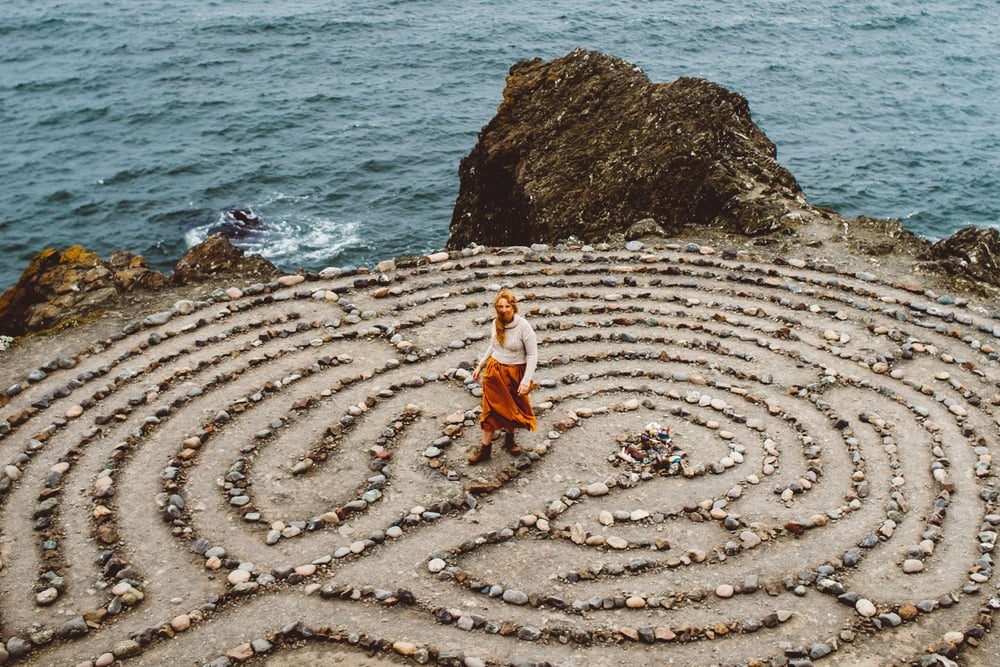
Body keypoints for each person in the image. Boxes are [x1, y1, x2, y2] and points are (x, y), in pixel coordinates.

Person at [469, 289, 538, 464]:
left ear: (514, 306)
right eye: (500, 306)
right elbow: (493, 346)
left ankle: (509, 439)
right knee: (489, 410)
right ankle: (485, 449)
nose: (504, 309)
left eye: (507, 306)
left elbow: (532, 355)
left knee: (512, 409)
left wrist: (526, 380)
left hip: (515, 373)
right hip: (494, 372)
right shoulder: (496, 323)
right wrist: (480, 365)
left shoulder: (524, 327)